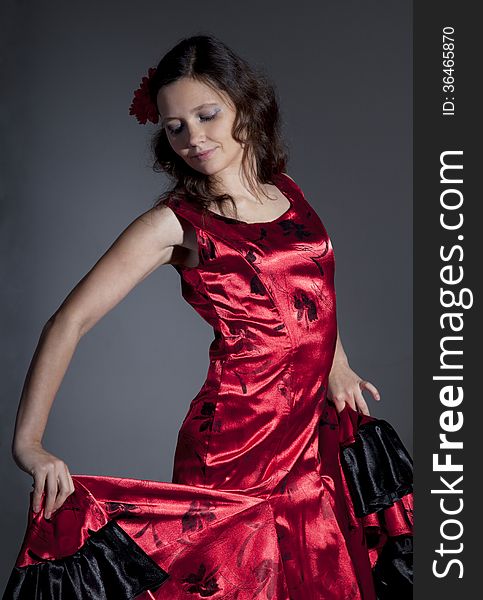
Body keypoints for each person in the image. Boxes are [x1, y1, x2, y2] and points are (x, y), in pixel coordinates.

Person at [4, 35, 413, 600]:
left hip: (309, 435)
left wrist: (337, 363)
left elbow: (312, 289)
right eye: (175, 126)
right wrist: (29, 444)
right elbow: (66, 323)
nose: (193, 137)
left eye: (206, 114)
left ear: (243, 104)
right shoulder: (175, 224)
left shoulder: (287, 191)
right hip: (237, 439)